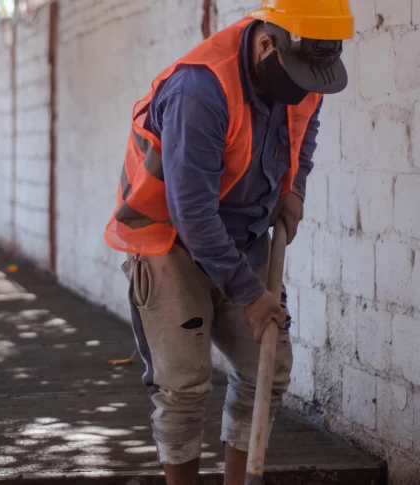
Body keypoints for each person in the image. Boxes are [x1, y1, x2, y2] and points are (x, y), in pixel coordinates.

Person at [103, 2, 354, 484]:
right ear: (267, 45)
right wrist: (250, 295)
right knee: (183, 385)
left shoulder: (301, 71)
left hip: (242, 234)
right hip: (169, 241)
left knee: (269, 369)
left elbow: (307, 126)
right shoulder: (201, 90)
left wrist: (292, 190)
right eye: (301, 76)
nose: (307, 89)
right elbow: (191, 212)